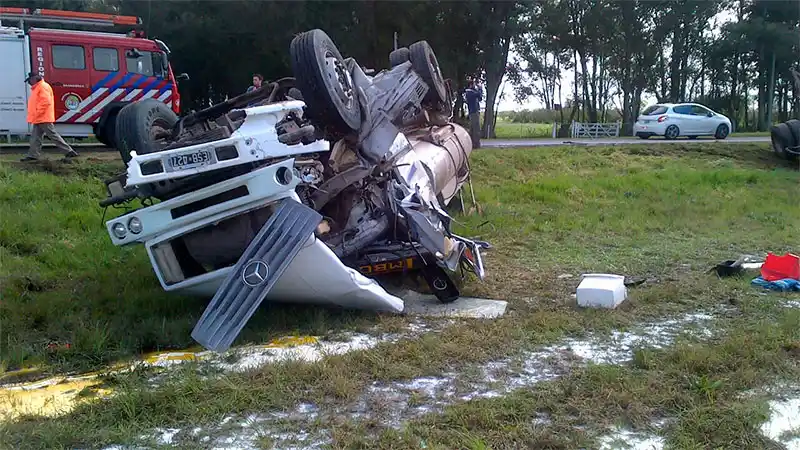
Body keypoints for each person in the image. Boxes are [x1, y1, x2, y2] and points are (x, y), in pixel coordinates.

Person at [21, 72, 79, 162]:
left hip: (42, 117)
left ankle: (69, 151)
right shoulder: (39, 87)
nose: (29, 83)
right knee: (36, 137)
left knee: (51, 135)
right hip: (40, 117)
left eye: (29, 80)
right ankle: (33, 155)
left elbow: (46, 102)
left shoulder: (42, 87)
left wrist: (37, 113)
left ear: (35, 78)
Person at [464, 79, 483, 148]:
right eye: (474, 84)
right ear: (471, 85)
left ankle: (472, 144)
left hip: (473, 112)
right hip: (474, 112)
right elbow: (479, 94)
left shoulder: (471, 92)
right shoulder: (469, 92)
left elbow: (480, 97)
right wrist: (480, 88)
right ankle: (476, 144)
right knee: (476, 129)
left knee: (472, 129)